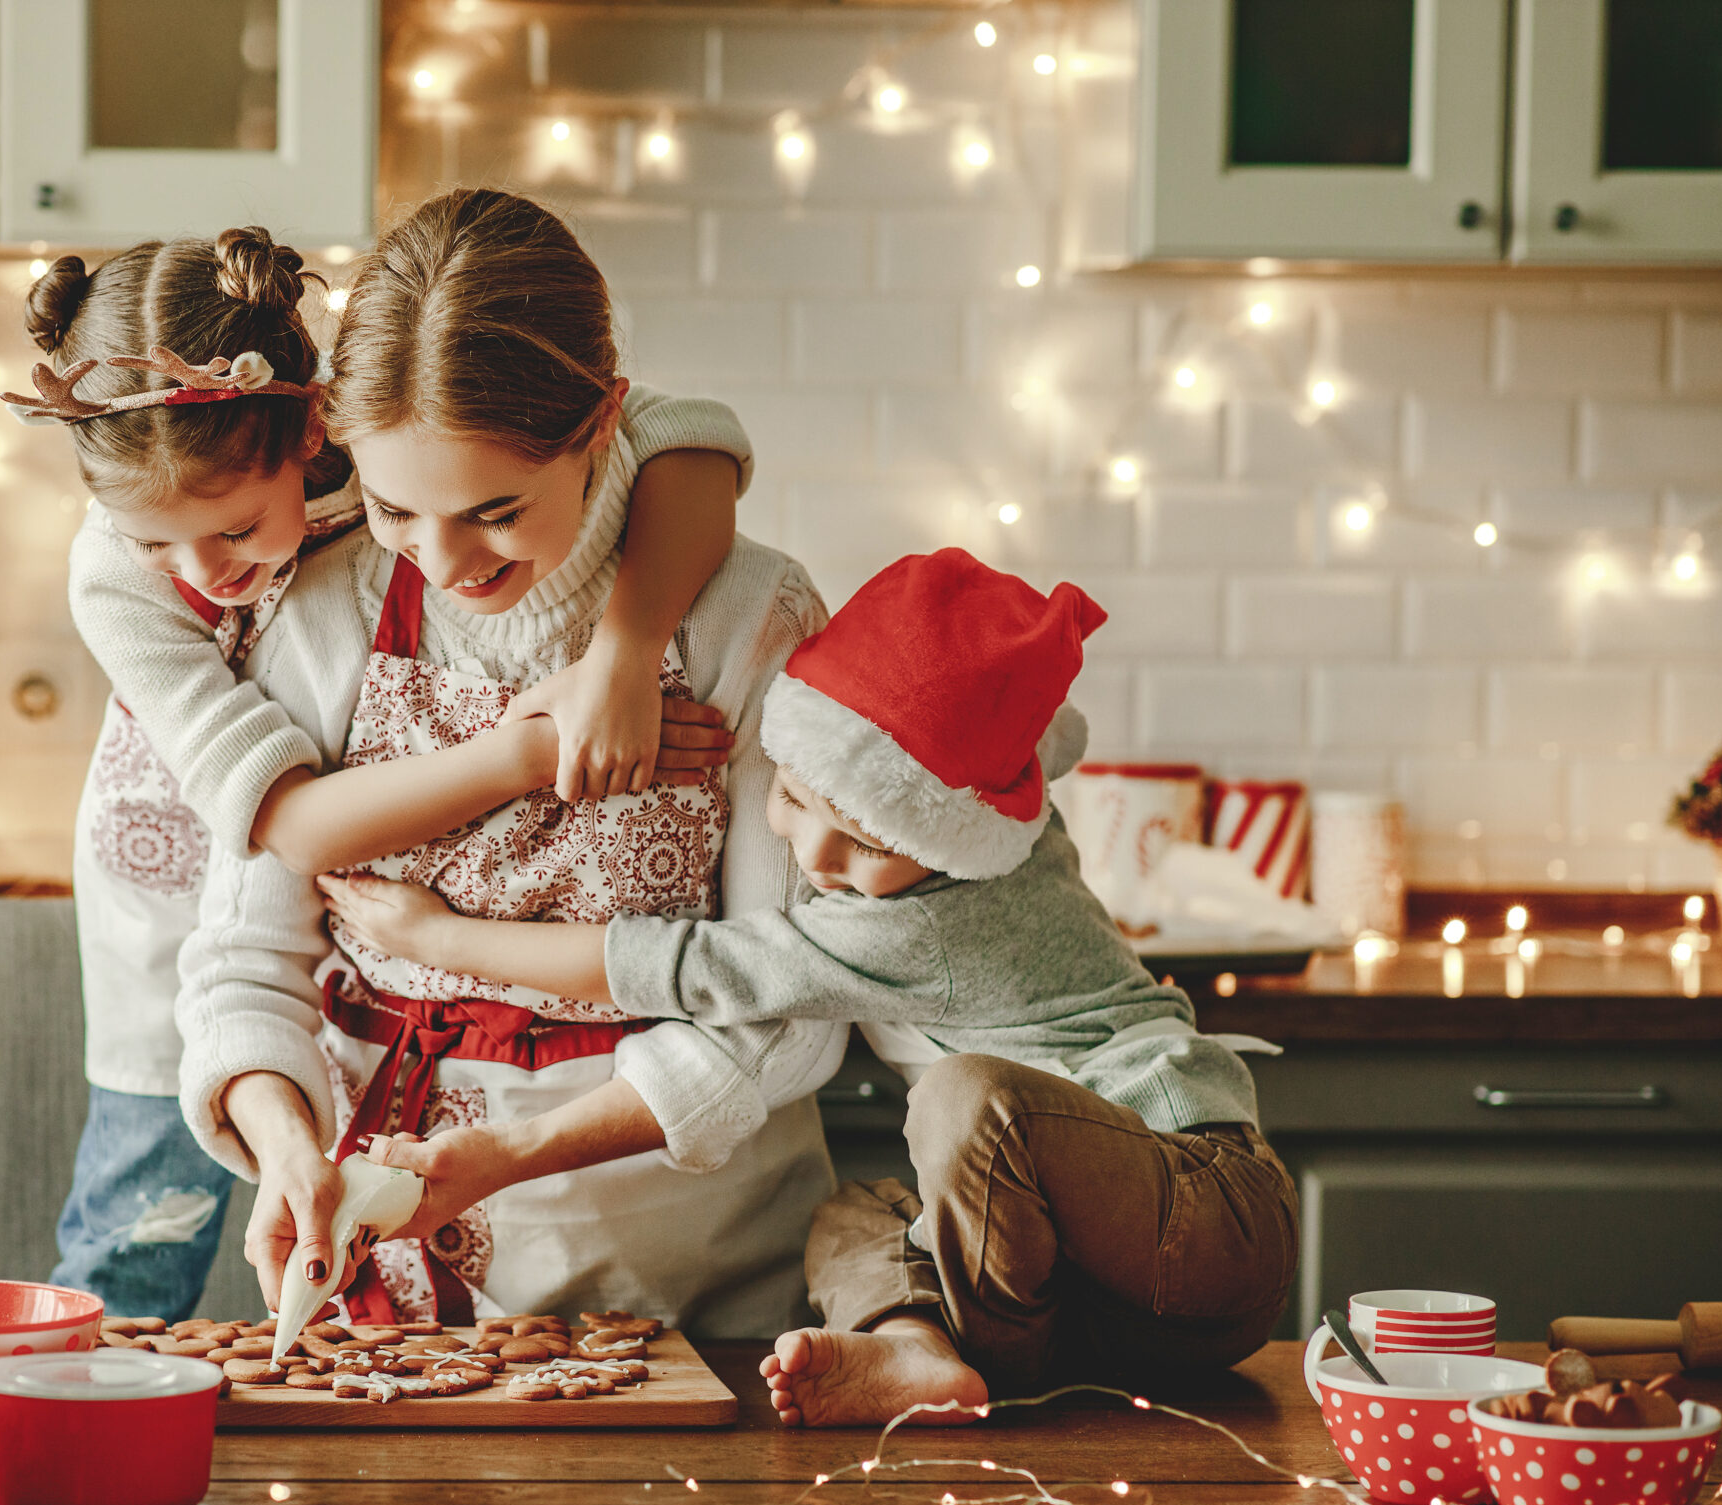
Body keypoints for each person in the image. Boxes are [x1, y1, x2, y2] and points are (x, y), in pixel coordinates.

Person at [323, 548, 1299, 1425]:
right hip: (1105, 1298)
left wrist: (440, 934)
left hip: (1200, 1212)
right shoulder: (992, 810)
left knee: (972, 1096)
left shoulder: (922, 918)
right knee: (847, 1218)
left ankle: (980, 1358)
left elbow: (675, 963)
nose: (816, 853)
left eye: (868, 841)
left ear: (945, 836)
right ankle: (919, 1349)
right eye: (790, 797)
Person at [21, 225, 752, 1319]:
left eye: (230, 530)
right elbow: (295, 829)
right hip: (201, 835)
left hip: (358, 830)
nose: (199, 575)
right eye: (153, 544)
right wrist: (532, 749)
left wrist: (624, 653)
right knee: (141, 1220)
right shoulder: (117, 578)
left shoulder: (390, 453)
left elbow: (689, 443)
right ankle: (93, 1415)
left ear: (315, 427)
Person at [173, 187, 848, 1337]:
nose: (439, 561)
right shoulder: (326, 604)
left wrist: (518, 1151)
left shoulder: (744, 616)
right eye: (392, 508)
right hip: (383, 1295)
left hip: (687, 1288)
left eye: (493, 510)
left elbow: (786, 999)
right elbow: (246, 957)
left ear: (601, 426)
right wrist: (287, 1143)